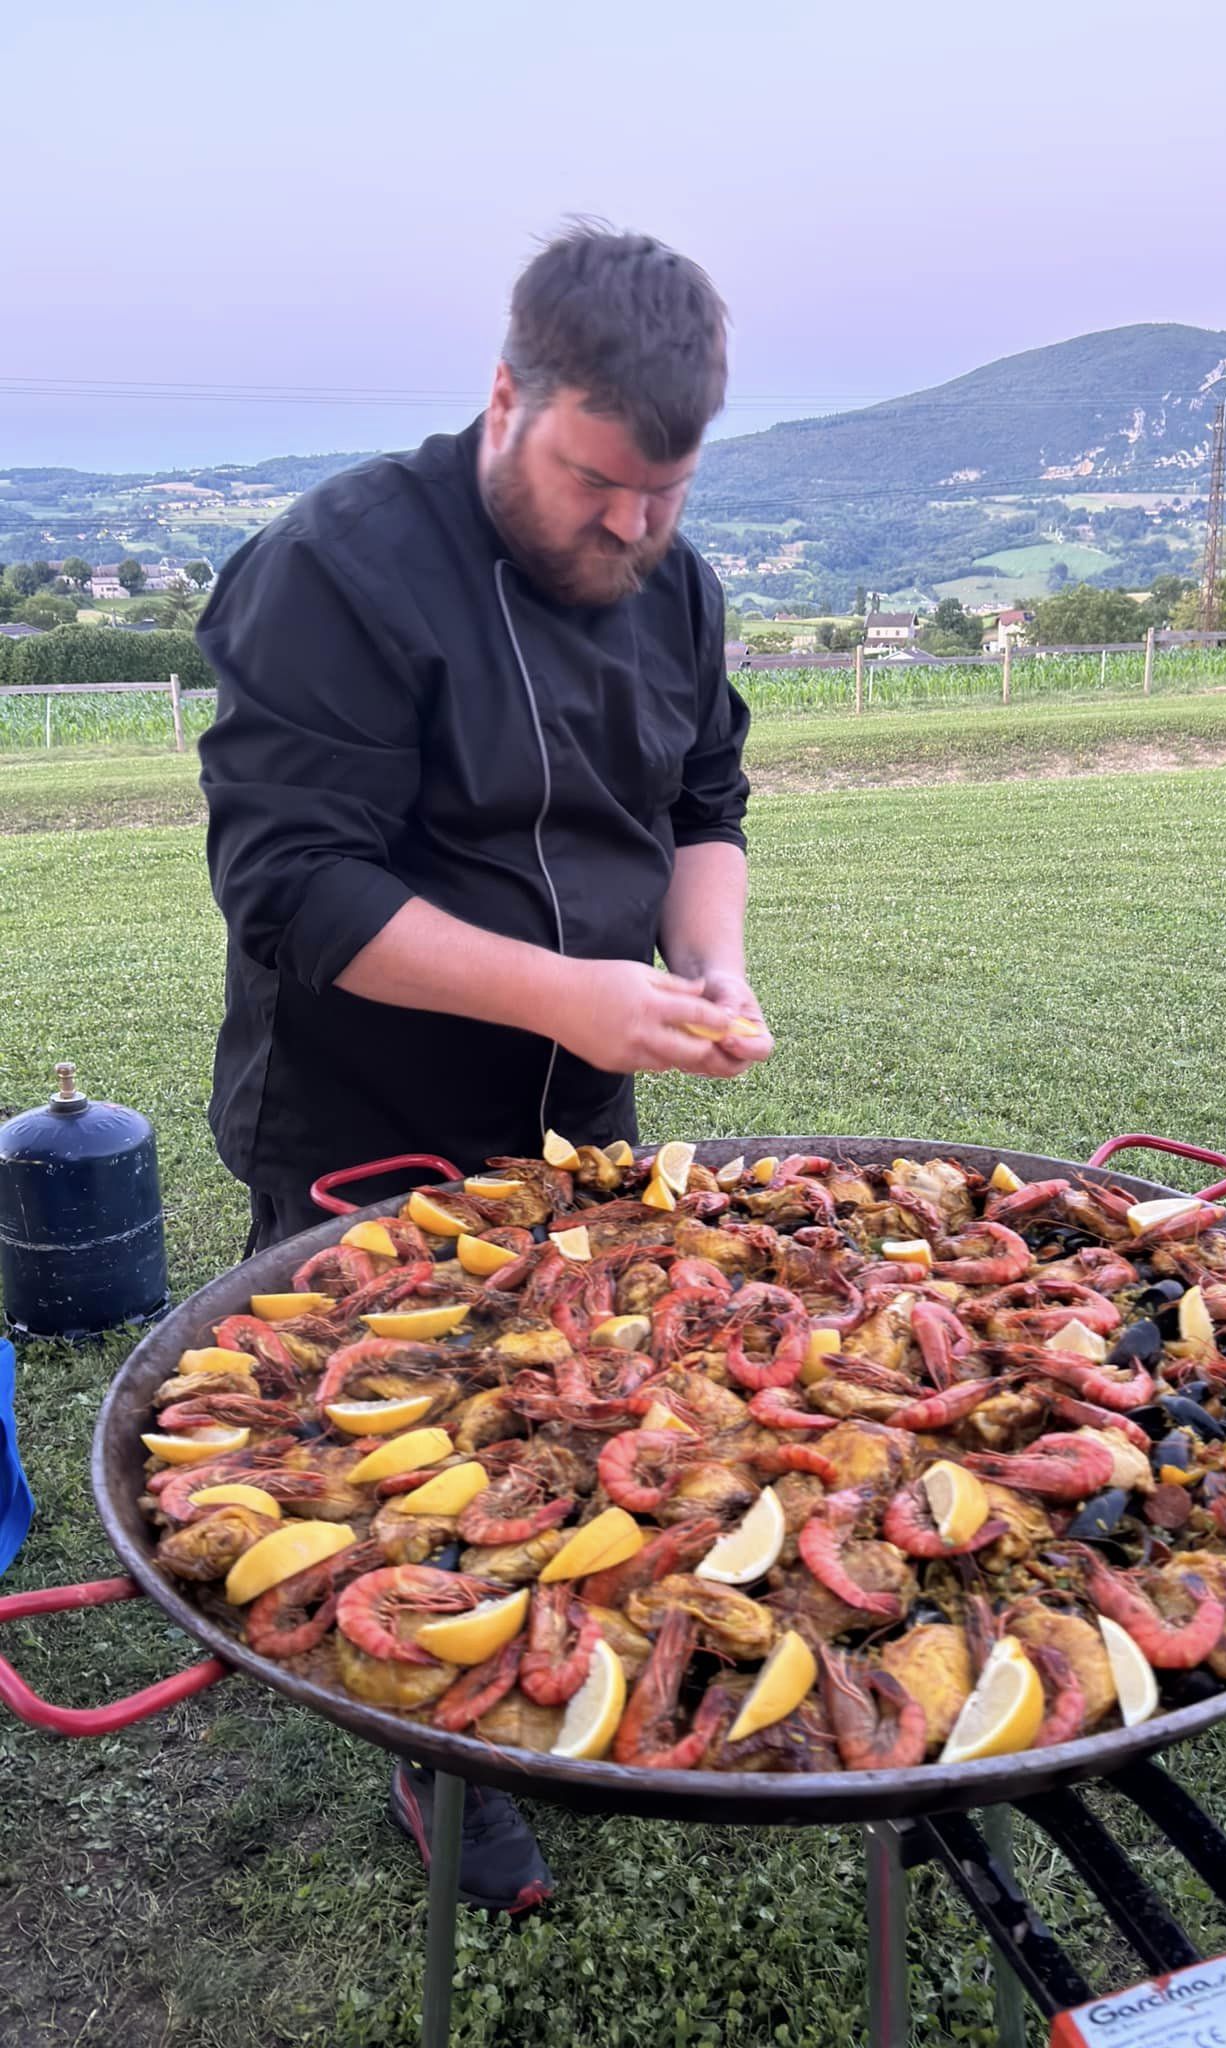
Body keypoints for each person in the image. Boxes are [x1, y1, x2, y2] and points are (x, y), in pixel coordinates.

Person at [196, 226, 774, 1915]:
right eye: (602, 482)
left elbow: (703, 806)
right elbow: (296, 886)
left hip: (580, 1097)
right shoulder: (339, 567)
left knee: (573, 1405)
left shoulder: (675, 575)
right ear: (506, 396)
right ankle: (437, 1745)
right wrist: (569, 998)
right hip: (363, 1104)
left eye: (668, 492)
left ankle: (579, 1653)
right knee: (389, 1438)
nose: (635, 528)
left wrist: (706, 964)